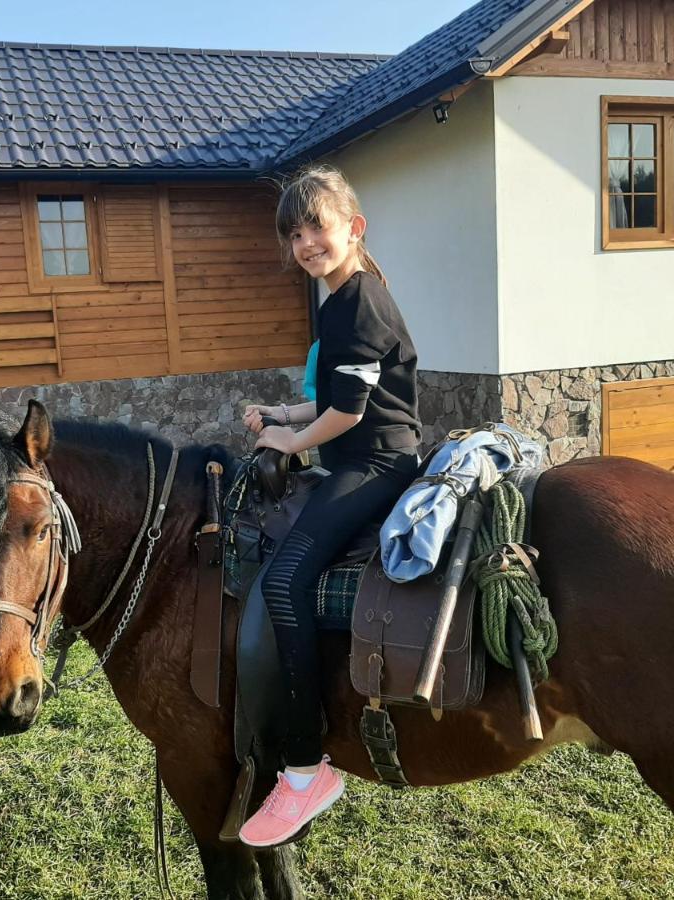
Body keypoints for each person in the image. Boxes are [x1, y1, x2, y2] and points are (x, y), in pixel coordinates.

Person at [238, 165, 422, 847]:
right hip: (355, 453)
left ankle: (306, 765)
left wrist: (292, 441)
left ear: (354, 227)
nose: (306, 241)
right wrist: (282, 412)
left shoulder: (362, 301)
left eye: (317, 225)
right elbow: (334, 393)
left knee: (285, 583)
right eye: (295, 232)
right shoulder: (338, 299)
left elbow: (348, 413)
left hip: (376, 463)